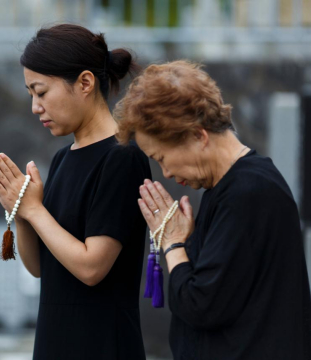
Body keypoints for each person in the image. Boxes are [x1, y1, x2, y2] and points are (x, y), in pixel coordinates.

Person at [115, 60, 311, 360]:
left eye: (162, 157)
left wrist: (173, 243)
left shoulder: (247, 193)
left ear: (198, 136)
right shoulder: (236, 186)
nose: (165, 173)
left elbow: (200, 305)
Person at [0, 24, 151, 360]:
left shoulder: (122, 158)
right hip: (54, 342)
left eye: (42, 92)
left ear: (85, 83)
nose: (35, 107)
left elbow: (92, 268)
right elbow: (39, 268)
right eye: (31, 94)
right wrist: (21, 213)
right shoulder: (64, 158)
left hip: (102, 345)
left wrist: (35, 210)